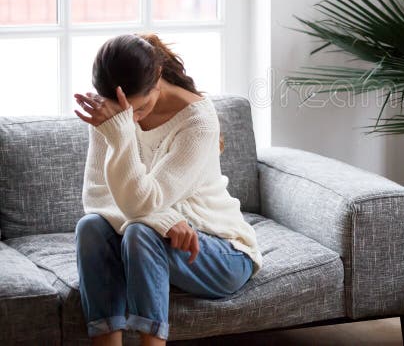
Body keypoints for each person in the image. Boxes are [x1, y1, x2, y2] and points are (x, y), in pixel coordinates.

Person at [73, 33, 262, 346]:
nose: (130, 119)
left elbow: (145, 201)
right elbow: (96, 197)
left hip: (221, 249)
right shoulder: (112, 112)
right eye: (123, 113)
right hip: (162, 236)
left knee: (140, 233)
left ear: (157, 77)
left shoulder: (198, 121)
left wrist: (120, 137)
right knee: (91, 227)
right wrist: (161, 220)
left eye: (140, 108)